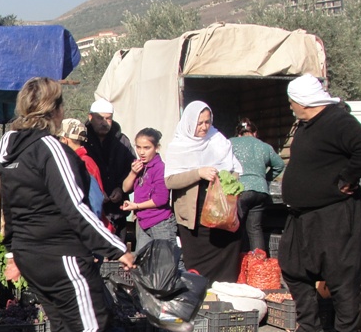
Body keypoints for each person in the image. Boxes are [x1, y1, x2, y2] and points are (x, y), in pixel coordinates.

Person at [0, 78, 134, 332]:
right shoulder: (50, 149)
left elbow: (8, 208)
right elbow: (76, 209)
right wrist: (117, 248)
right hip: (61, 252)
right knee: (92, 330)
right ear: (54, 111)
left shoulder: (10, 151)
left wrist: (13, 252)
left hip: (31, 252)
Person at [278, 74, 361, 332]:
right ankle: (309, 327)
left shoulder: (337, 120)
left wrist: (348, 177)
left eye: (292, 103)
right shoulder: (307, 124)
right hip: (302, 213)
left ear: (304, 102)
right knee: (292, 266)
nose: (291, 107)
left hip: (334, 211)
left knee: (340, 272)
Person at [61, 119, 133, 332]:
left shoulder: (81, 163)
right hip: (87, 238)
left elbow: (92, 205)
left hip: (87, 240)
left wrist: (88, 244)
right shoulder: (83, 160)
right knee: (91, 292)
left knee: (91, 294)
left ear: (66, 140)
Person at [163, 101, 244, 284]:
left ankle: (223, 298)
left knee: (227, 252)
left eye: (207, 122)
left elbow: (234, 169)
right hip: (194, 219)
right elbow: (170, 180)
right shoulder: (179, 146)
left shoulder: (218, 140)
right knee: (198, 267)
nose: (204, 127)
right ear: (190, 123)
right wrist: (198, 173)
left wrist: (224, 177)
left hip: (220, 215)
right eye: (199, 123)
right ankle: (199, 299)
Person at [229, 117, 285, 254]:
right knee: (255, 229)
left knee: (237, 228)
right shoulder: (265, 146)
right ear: (255, 132)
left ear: (238, 133)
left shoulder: (230, 143)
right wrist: (264, 178)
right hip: (260, 191)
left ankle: (239, 264)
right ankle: (259, 267)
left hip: (240, 190)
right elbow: (280, 165)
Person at [121, 127, 180, 255]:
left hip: (160, 222)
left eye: (147, 148)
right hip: (143, 222)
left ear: (156, 147)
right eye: (138, 147)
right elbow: (126, 188)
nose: (141, 152)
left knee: (167, 261)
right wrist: (133, 173)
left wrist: (136, 206)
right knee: (143, 261)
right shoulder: (139, 165)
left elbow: (161, 199)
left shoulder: (160, 168)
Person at [84, 99, 136, 238]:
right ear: (90, 117)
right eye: (99, 118)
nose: (104, 122)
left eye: (108, 118)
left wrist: (120, 188)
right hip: (90, 211)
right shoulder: (82, 140)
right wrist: (96, 190)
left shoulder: (122, 141)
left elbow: (131, 169)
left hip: (117, 210)